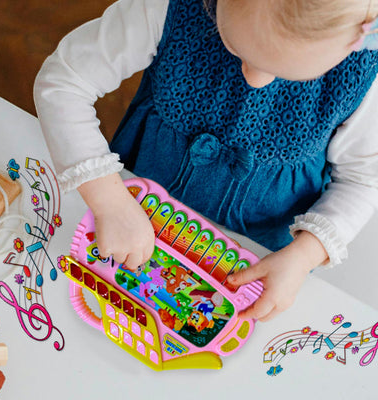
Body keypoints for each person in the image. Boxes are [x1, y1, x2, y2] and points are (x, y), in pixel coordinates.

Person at [34, 0, 378, 322]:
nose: (255, 80)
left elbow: (362, 179)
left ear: (357, 37)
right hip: (126, 214)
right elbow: (64, 83)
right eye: (236, 47)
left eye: (291, 74)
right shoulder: (166, 8)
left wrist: (305, 255)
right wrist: (108, 200)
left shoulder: (364, 75)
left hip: (256, 260)